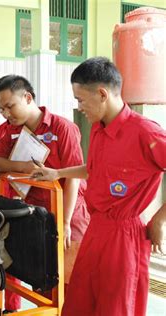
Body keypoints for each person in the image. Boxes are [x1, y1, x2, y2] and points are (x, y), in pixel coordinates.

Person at [35, 57, 166, 316]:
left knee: (115, 308)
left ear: (102, 93)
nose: (79, 107)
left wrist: (160, 219)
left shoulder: (146, 133)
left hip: (124, 237)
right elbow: (94, 169)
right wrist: (56, 172)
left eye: (80, 100)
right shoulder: (98, 129)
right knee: (79, 302)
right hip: (96, 229)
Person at [0, 75, 90, 313]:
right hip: (36, 215)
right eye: (0, 107)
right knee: (42, 277)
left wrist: (65, 223)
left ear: (28, 97)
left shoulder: (62, 128)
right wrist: (22, 166)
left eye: (10, 106)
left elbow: (74, 177)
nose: (5, 113)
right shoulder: (11, 130)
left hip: (69, 212)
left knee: (70, 279)